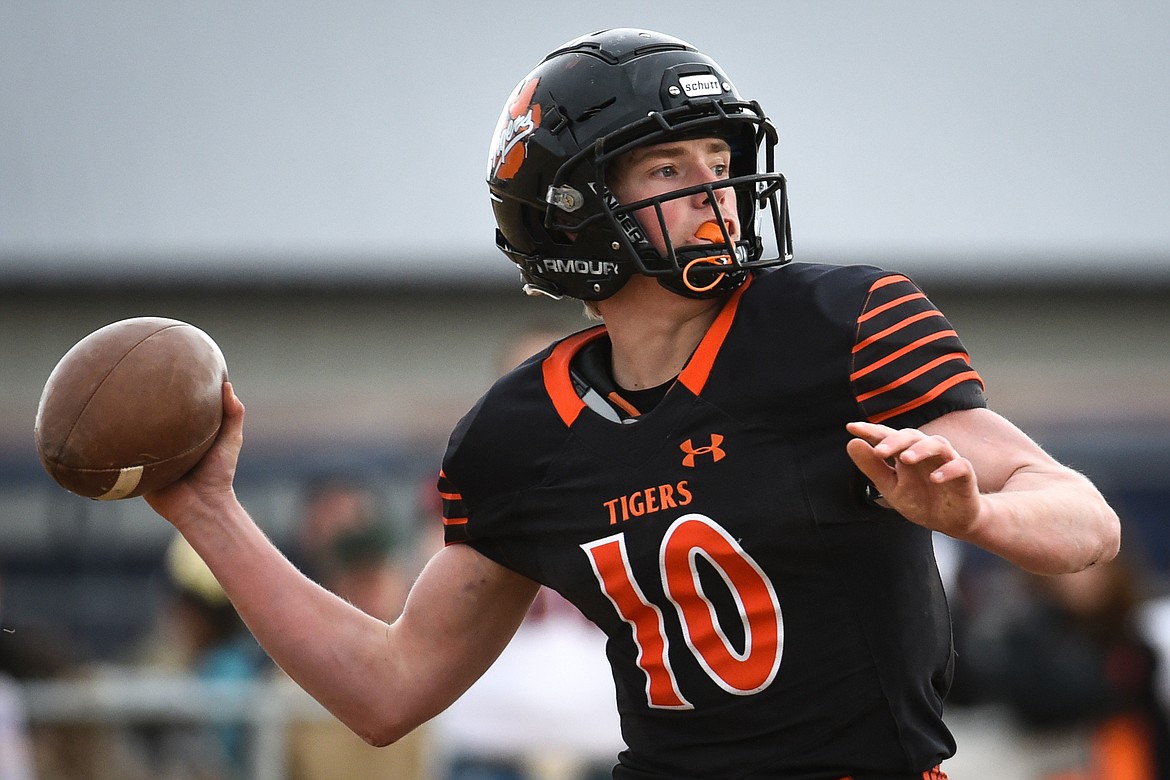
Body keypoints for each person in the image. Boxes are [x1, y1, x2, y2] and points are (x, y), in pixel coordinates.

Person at [142, 28, 1121, 780]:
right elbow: (387, 688)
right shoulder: (517, 435)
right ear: (571, 208)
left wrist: (978, 513)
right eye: (670, 170)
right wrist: (208, 512)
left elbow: (1086, 521)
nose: (718, 193)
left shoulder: (839, 323)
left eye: (719, 164)